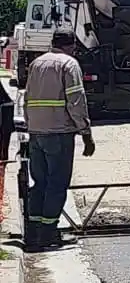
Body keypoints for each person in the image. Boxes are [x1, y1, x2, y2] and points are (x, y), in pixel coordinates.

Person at [23, 28, 96, 250]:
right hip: (59, 132)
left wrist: (30, 125)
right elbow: (76, 100)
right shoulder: (69, 64)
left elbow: (27, 97)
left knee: (40, 183)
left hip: (37, 132)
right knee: (57, 183)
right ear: (72, 44)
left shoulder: (37, 63)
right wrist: (86, 132)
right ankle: (49, 232)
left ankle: (34, 231)